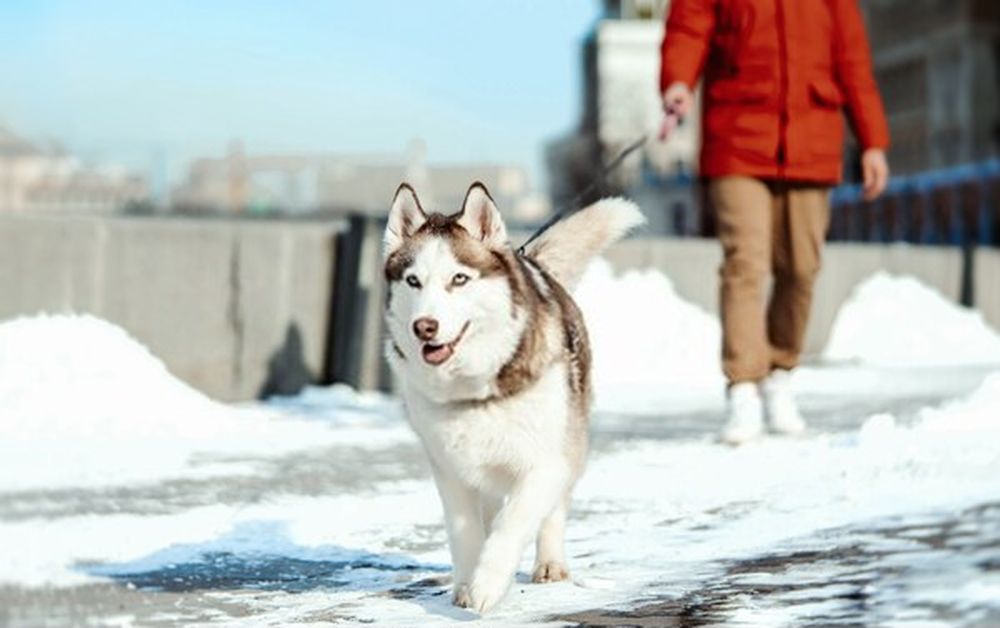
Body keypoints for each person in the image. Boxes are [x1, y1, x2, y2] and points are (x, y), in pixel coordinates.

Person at [658, 0, 890, 444]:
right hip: (738, 137)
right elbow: (689, 26)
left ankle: (780, 372)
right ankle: (743, 386)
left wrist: (872, 141)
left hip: (811, 141)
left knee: (801, 267)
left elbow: (852, 60)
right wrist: (678, 81)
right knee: (746, 260)